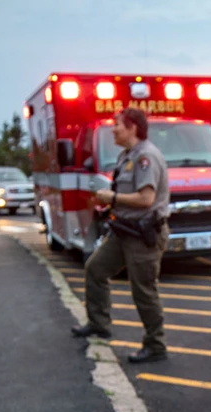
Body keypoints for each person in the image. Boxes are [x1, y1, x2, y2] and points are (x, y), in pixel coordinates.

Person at [71, 107, 169, 363]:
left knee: (143, 290)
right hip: (124, 230)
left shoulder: (146, 157)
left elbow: (146, 199)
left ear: (132, 127)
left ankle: (156, 345)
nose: (112, 129)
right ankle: (99, 323)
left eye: (117, 125)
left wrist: (112, 197)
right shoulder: (126, 155)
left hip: (143, 234)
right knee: (95, 269)